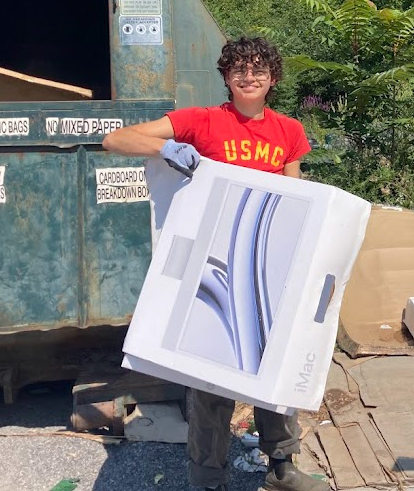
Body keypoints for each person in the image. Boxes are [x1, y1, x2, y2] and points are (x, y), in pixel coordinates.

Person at [103, 37, 329, 491]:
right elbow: (114, 139)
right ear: (226, 77)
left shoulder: (288, 131)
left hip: (267, 267)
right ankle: (207, 478)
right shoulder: (204, 122)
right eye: (239, 70)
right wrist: (163, 149)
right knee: (211, 373)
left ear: (273, 78)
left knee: (275, 365)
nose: (249, 77)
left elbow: (296, 198)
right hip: (211, 264)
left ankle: (282, 466)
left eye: (258, 70)